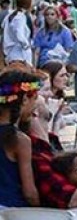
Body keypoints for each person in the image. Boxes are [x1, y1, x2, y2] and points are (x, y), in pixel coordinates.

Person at [0, 68, 41, 207]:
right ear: (24, 99)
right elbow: (29, 193)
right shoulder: (19, 140)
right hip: (11, 210)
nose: (35, 105)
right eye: (35, 99)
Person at [2, 0, 33, 66]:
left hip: (10, 54)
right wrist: (26, 45)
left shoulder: (10, 15)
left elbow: (3, 27)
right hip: (20, 55)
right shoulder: (20, 17)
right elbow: (19, 34)